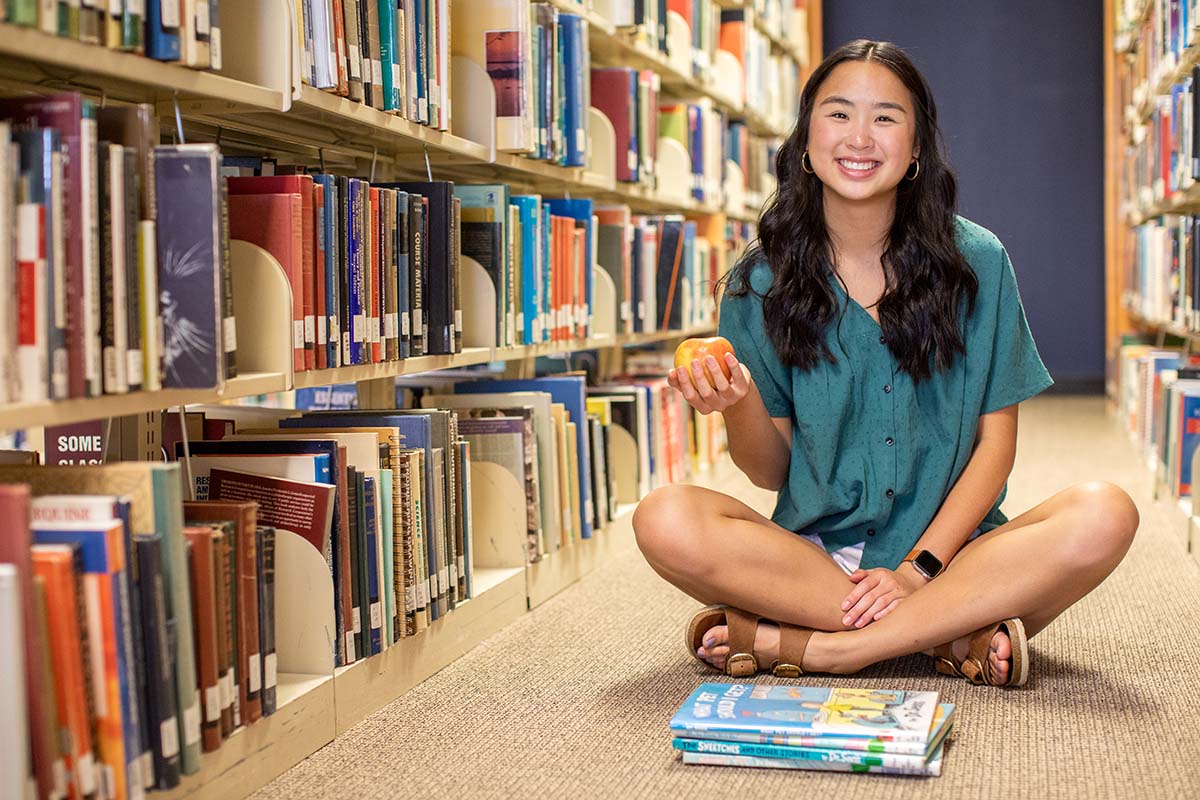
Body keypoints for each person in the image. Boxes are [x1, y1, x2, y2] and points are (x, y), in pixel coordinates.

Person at [632, 39, 1139, 687]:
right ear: (806, 141)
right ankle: (953, 634)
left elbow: (996, 449)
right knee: (665, 517)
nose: (860, 137)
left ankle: (829, 647)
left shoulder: (979, 262)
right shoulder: (757, 282)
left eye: (886, 117)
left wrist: (915, 571)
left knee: (1105, 512)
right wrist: (738, 403)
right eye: (839, 114)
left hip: (952, 555)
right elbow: (771, 470)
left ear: (918, 147)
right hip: (816, 561)